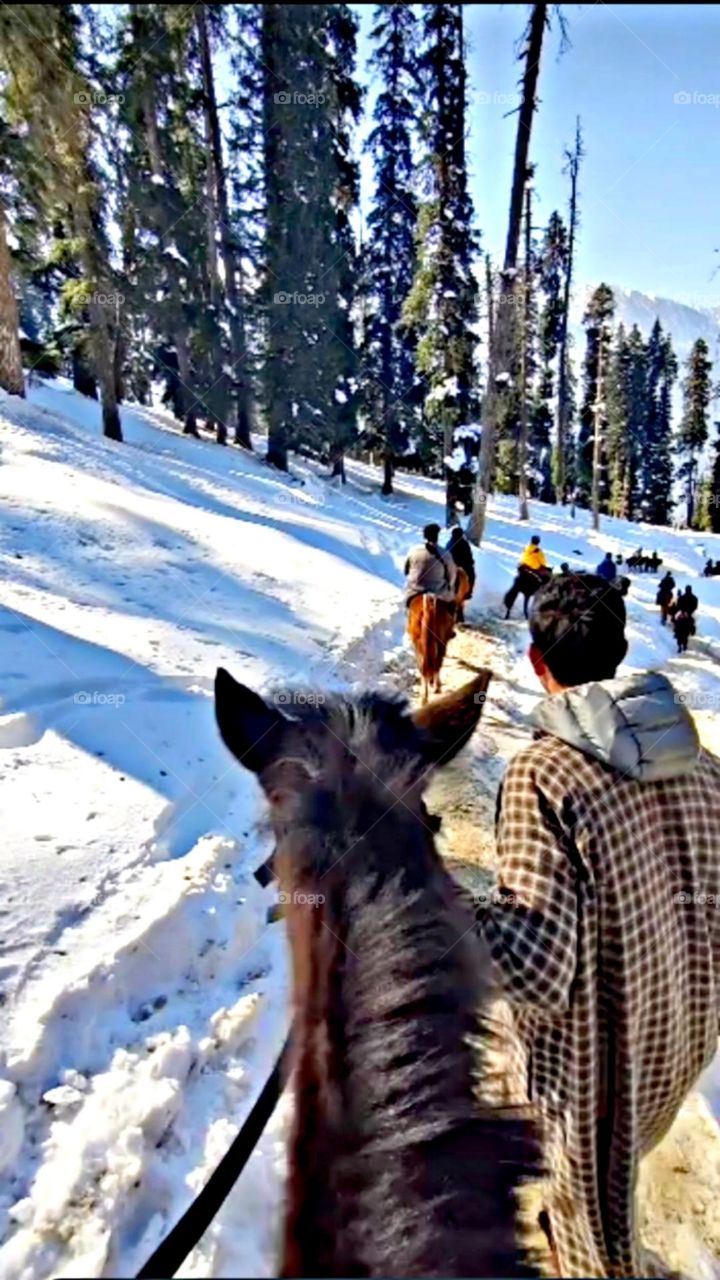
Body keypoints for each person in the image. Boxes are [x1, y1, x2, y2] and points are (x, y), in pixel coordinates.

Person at [477, 572, 720, 1278]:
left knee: (597, 1259)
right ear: (619, 650)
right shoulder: (703, 767)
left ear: (535, 660)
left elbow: (534, 967)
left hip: (596, 1092)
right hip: (679, 1046)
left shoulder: (544, 776)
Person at [404, 522, 456, 607]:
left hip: (415, 589)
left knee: (408, 607)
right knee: (452, 606)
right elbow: (452, 575)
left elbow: (406, 571)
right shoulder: (445, 554)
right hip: (438, 591)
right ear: (437, 536)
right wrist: (450, 586)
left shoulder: (413, 550)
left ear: (424, 536)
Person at [446, 526, 476, 596]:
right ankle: (469, 591)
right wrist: (471, 562)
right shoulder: (464, 543)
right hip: (463, 566)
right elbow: (469, 556)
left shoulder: (449, 543)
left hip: (451, 566)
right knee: (472, 576)